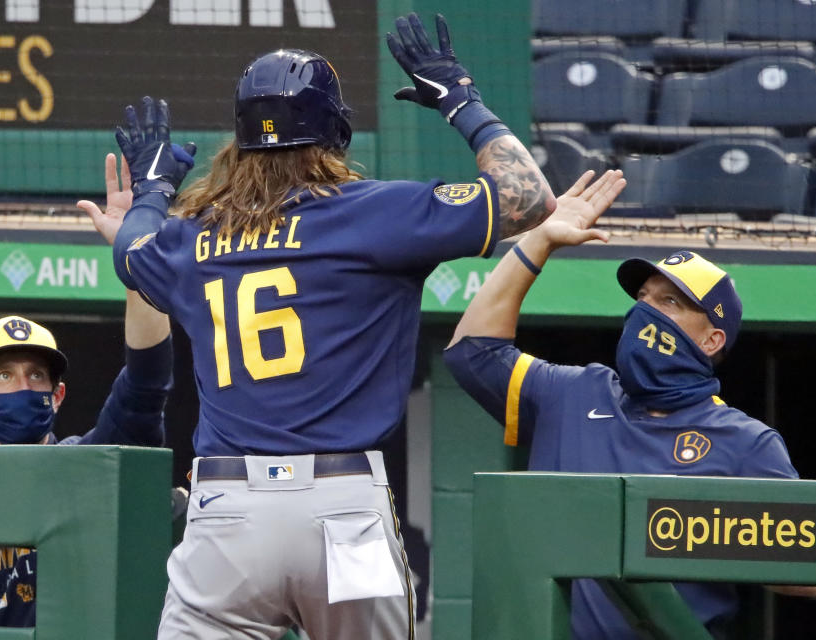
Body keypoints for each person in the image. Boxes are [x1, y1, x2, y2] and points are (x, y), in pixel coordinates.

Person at [87, 12, 556, 640]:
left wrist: (152, 186)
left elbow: (130, 249)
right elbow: (530, 198)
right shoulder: (376, 212)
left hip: (229, 513)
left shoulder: (194, 238)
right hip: (343, 511)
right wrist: (461, 100)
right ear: (335, 132)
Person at [442, 169, 816, 639]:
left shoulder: (746, 442)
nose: (644, 311)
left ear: (712, 339)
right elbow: (472, 351)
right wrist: (539, 240)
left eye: (669, 303)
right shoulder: (575, 392)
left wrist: (688, 528)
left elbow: (806, 577)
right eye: (642, 297)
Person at [0, 155, 175, 627]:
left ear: (58, 394)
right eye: (4, 376)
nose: (23, 386)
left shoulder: (86, 471)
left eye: (37, 376)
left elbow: (146, 381)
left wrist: (136, 254)